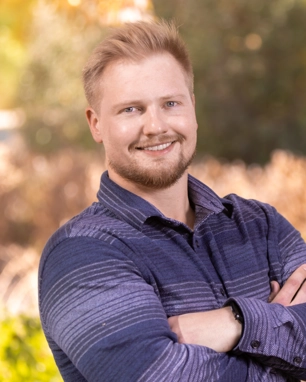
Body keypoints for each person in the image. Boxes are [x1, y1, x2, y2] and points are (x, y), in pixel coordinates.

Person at [38, 20, 306, 381]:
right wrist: (281, 342)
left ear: (192, 108)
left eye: (170, 103)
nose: (155, 126)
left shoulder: (261, 225)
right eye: (131, 109)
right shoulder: (80, 254)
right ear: (96, 123)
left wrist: (235, 323)